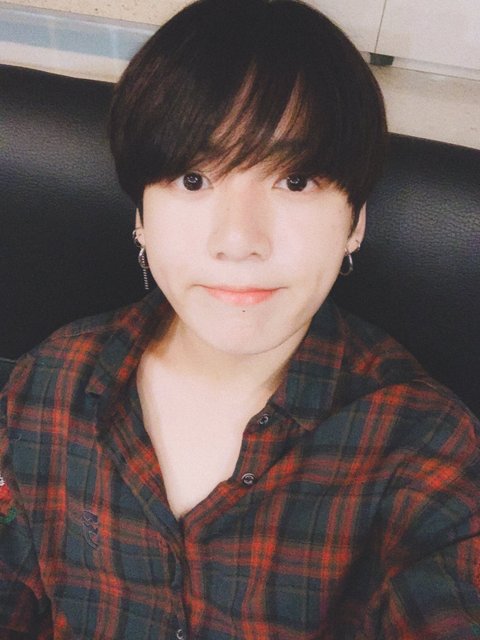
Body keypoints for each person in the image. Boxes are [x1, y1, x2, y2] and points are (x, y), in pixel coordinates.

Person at [1, 0, 479, 637]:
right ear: (141, 218)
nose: (238, 241)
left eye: (296, 180)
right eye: (193, 179)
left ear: (355, 222)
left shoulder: (423, 446)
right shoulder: (49, 384)